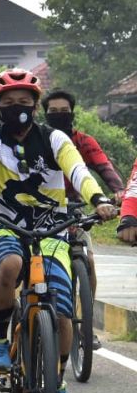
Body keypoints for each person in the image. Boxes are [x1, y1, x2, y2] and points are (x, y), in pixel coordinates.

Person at [0, 69, 116, 393]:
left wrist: (99, 199)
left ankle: (57, 384)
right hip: (4, 226)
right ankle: (0, 342)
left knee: (62, 313)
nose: (18, 108)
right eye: (9, 103)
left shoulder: (55, 138)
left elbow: (78, 171)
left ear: (36, 104)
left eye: (25, 102)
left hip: (52, 231)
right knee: (11, 265)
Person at [44, 89, 125, 344]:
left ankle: (85, 328)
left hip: (75, 210)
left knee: (87, 262)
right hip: (42, 212)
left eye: (64, 112)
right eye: (53, 112)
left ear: (73, 113)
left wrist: (120, 192)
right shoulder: (37, 141)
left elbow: (104, 167)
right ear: (44, 115)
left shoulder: (84, 142)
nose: (59, 116)